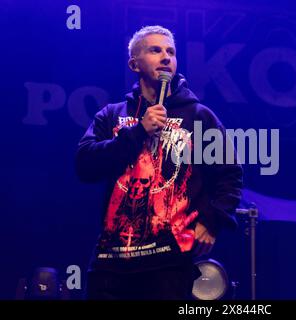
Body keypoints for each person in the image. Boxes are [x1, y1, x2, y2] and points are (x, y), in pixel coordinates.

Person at [75, 25, 243, 300]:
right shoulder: (111, 115)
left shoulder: (198, 116)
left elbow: (230, 175)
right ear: (134, 63)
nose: (166, 57)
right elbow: (84, 165)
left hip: (169, 262)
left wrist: (212, 222)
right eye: (155, 50)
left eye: (171, 52)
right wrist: (139, 131)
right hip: (111, 262)